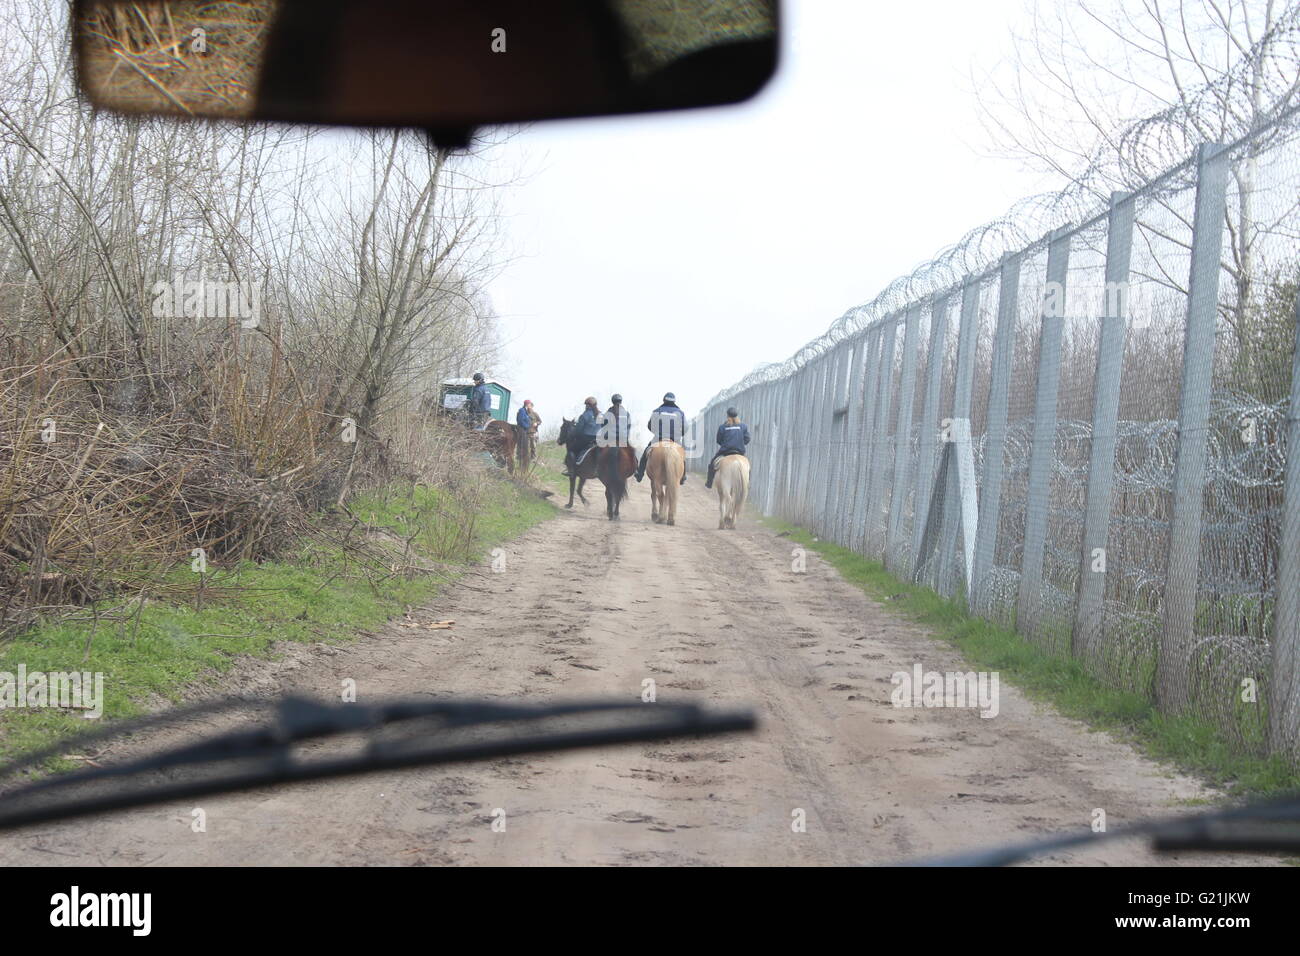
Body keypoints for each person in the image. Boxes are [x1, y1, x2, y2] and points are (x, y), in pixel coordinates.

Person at [635, 391, 688, 485]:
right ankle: (683, 476)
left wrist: (656, 432)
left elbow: (650, 426)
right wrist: (680, 435)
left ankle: (639, 474)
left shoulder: (657, 411)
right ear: (674, 401)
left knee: (645, 453)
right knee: (682, 455)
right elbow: (685, 427)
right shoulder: (680, 413)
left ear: (664, 400)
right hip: (675, 440)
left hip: (658, 439)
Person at [706, 406, 750, 489]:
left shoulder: (723, 427)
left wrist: (726, 443)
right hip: (739, 452)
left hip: (725, 452)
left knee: (712, 464)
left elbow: (718, 440)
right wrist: (739, 442)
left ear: (728, 416)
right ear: (737, 416)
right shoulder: (743, 426)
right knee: (747, 467)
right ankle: (747, 484)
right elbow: (747, 439)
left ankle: (709, 483)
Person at [564, 396, 601, 475]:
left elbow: (578, 430)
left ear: (588, 405)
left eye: (586, 405)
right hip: (598, 440)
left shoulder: (585, 415)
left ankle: (571, 470)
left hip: (586, 439)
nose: (585, 407)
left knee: (572, 449)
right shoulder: (601, 415)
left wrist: (572, 435)